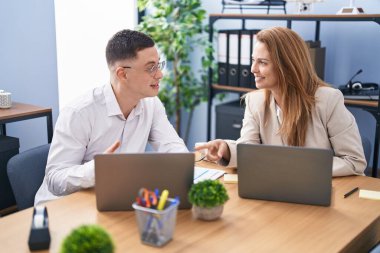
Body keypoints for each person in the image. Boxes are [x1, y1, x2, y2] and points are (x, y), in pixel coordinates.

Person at [35, 29, 188, 205]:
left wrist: (184, 169)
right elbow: (55, 180)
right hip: (61, 207)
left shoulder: (151, 104)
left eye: (158, 65)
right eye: (150, 68)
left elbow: (172, 148)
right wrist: (98, 169)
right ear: (122, 74)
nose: (159, 74)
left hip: (112, 199)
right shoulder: (79, 112)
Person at [196, 26, 366, 177]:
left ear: (287, 66)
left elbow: (354, 161)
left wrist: (299, 169)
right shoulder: (255, 101)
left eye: (262, 62)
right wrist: (226, 150)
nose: (253, 69)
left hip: (319, 191)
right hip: (277, 188)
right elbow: (249, 150)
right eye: (253, 60)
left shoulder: (328, 100)